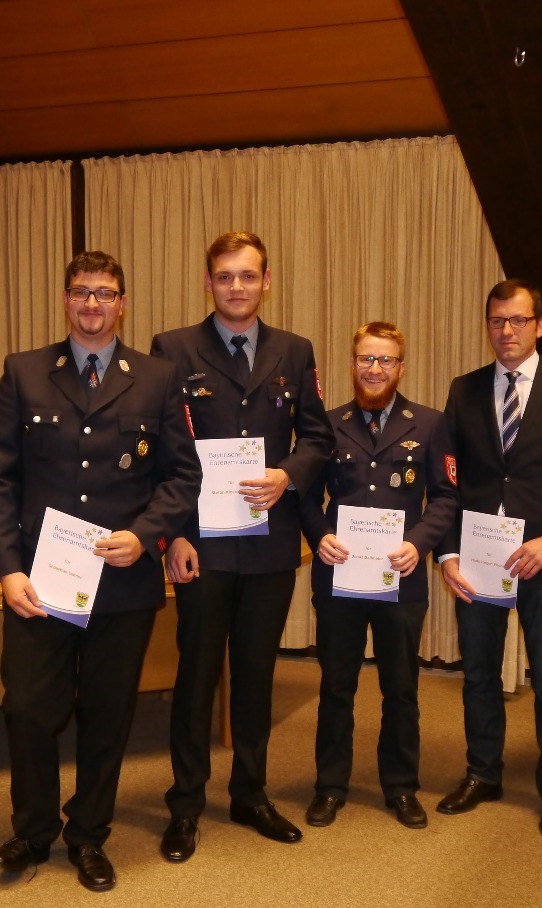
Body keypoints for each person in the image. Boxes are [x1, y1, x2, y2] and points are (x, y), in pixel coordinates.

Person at [0, 251, 199, 891]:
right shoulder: (24, 371)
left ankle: (88, 835)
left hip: (121, 580)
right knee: (28, 709)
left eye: (105, 293)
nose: (92, 304)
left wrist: (146, 535)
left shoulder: (157, 377)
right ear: (65, 299)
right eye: (81, 292)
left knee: (107, 714)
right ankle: (32, 831)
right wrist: (6, 570)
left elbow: (182, 475)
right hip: (39, 581)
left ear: (122, 303)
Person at [151, 230, 332, 861]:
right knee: (197, 676)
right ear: (209, 283)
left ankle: (250, 794)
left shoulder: (295, 350)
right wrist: (173, 534)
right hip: (200, 544)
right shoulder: (173, 349)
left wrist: (288, 474)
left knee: (257, 674)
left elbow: (317, 437)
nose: (237, 287)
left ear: (266, 281)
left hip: (270, 543)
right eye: (225, 276)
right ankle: (185, 804)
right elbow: (165, 450)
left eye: (248, 276)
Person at [436, 280, 542, 837]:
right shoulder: (464, 390)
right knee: (479, 675)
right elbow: (447, 482)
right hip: (479, 560)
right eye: (496, 321)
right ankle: (482, 773)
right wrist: (448, 552)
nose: (506, 331)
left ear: (539, 325)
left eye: (517, 320)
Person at [299, 322, 457, 828]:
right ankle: (329, 786)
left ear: (400, 367)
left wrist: (419, 543)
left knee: (401, 688)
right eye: (366, 359)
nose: (374, 369)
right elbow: (305, 497)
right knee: (336, 686)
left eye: (385, 360)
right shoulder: (328, 425)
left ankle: (401, 786)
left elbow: (446, 497)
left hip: (400, 578)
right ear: (353, 364)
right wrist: (320, 534)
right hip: (340, 576)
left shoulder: (429, 424)